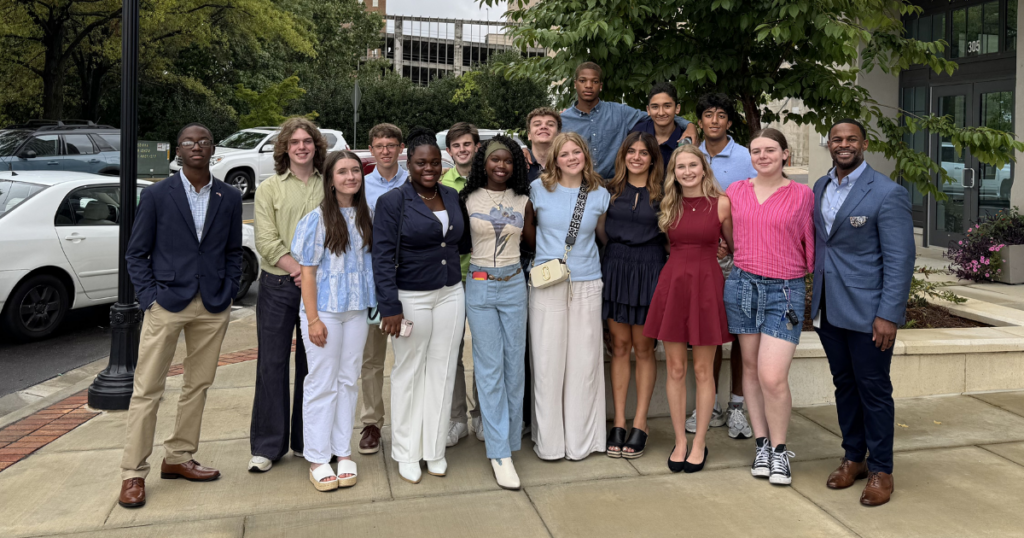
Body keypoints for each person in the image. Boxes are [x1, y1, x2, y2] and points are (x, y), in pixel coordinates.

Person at [119, 123, 243, 508]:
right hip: (166, 303)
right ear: (177, 150)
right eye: (189, 142)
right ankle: (133, 474)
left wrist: (226, 291)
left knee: (198, 385)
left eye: (203, 142)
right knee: (147, 390)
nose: (196, 147)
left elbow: (233, 251)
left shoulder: (229, 196)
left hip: (212, 304)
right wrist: (149, 299)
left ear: (213, 149)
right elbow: (136, 253)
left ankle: (178, 457)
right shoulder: (158, 195)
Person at [812, 120, 914, 506]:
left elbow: (901, 259)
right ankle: (853, 457)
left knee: (874, 390)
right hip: (828, 308)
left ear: (864, 144)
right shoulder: (820, 187)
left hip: (870, 313)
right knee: (845, 386)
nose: (843, 144)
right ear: (829, 145)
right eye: (837, 139)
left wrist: (889, 314)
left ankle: (881, 469)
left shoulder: (888, 193)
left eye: (851, 139)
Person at [373, 128, 466, 484]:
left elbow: (458, 241)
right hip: (410, 296)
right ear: (408, 163)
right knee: (409, 372)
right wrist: (389, 307)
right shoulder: (393, 202)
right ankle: (407, 452)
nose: (429, 168)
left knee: (442, 372)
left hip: (450, 293)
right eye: (420, 162)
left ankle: (434, 449)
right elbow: (381, 257)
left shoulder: (450, 195)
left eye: (434, 162)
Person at [724, 128, 814, 486]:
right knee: (749, 368)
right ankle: (761, 445)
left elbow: (811, 244)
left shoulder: (802, 195)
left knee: (772, 376)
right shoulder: (735, 191)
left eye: (770, 150)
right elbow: (729, 237)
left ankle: (779, 452)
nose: (763, 156)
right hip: (743, 285)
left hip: (786, 291)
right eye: (756, 150)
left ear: (785, 154)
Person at [645, 144, 734, 473]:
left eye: (692, 165)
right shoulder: (669, 204)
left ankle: (700, 443)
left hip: (707, 286)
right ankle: (680, 440)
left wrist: (722, 250)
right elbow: (672, 245)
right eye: (680, 166)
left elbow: (732, 246)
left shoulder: (721, 204)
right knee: (676, 369)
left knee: (703, 370)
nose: (686, 171)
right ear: (674, 172)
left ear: (703, 168)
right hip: (674, 285)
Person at [291, 150, 375, 492]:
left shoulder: (367, 216)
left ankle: (342, 451)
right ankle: (317, 456)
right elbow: (307, 274)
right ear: (330, 180)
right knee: (321, 382)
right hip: (323, 311)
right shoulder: (316, 219)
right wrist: (312, 320)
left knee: (347, 381)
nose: (351, 177)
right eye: (342, 172)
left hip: (355, 312)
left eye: (355, 170)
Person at [249, 117, 327, 473]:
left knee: (313, 367)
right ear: (284, 148)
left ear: (315, 146)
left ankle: (305, 440)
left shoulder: (330, 185)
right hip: (279, 285)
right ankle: (268, 446)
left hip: (322, 290)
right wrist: (299, 270)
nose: (301, 146)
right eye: (294, 141)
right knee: (272, 364)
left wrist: (313, 276)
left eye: (307, 141)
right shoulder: (269, 188)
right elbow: (265, 241)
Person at [459, 135, 535, 489]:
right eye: (494, 160)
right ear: (483, 163)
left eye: (507, 161)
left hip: (513, 284)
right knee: (488, 367)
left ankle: (507, 438)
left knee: (514, 364)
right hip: (478, 284)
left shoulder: (524, 200)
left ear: (514, 164)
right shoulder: (467, 198)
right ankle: (498, 451)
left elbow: (532, 243)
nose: (501, 166)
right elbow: (456, 241)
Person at [529, 132, 610, 461]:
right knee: (547, 363)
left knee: (584, 363)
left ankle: (583, 442)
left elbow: (604, 236)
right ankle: (549, 444)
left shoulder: (600, 194)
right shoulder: (537, 190)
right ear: (555, 159)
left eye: (577, 151)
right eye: (565, 154)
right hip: (548, 283)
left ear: (585, 155)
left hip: (588, 282)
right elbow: (528, 233)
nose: (572, 158)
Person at [687, 92, 759, 439]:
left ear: (729, 122)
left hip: (738, 258)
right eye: (708, 115)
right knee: (708, 336)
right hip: (702, 259)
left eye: (721, 115)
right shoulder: (690, 156)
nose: (714, 121)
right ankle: (709, 404)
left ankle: (736, 406)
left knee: (742, 337)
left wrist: (732, 245)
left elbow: (756, 204)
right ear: (699, 121)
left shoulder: (746, 157)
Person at [599, 132, 666, 460]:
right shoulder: (608, 191)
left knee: (643, 348)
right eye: (631, 151)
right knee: (620, 346)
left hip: (650, 269)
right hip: (616, 267)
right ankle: (620, 421)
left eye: (644, 152)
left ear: (653, 158)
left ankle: (641, 422)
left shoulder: (665, 193)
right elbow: (599, 231)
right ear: (623, 154)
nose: (637, 157)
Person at [358, 123, 408, 456]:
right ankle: (371, 422)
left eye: (391, 145)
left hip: (412, 279)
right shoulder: (359, 185)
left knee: (410, 357)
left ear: (401, 148)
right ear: (372, 150)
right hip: (373, 279)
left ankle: (410, 419)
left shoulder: (415, 180)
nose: (386, 150)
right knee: (371, 359)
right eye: (379, 145)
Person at [560, 63, 697, 178]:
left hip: (614, 186)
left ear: (600, 86)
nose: (588, 85)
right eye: (583, 81)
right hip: (578, 185)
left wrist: (690, 126)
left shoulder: (620, 112)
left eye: (594, 81)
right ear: (575, 84)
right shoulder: (562, 120)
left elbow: (658, 115)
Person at [441, 122, 482, 447]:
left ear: (476, 147)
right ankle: (457, 419)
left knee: (484, 349)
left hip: (484, 276)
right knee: (451, 350)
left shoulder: (490, 180)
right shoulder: (441, 185)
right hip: (452, 277)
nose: (463, 149)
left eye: (467, 144)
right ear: (449, 151)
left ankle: (482, 415)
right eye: (457, 146)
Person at [629, 83, 687, 172]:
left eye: (667, 106)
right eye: (655, 107)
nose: (661, 113)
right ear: (648, 110)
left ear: (677, 108)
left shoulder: (684, 139)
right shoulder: (637, 132)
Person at [525, 107, 562, 181]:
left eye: (550, 124)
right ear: (529, 135)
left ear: (559, 134)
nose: (544, 127)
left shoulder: (567, 166)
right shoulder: (519, 165)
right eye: (537, 124)